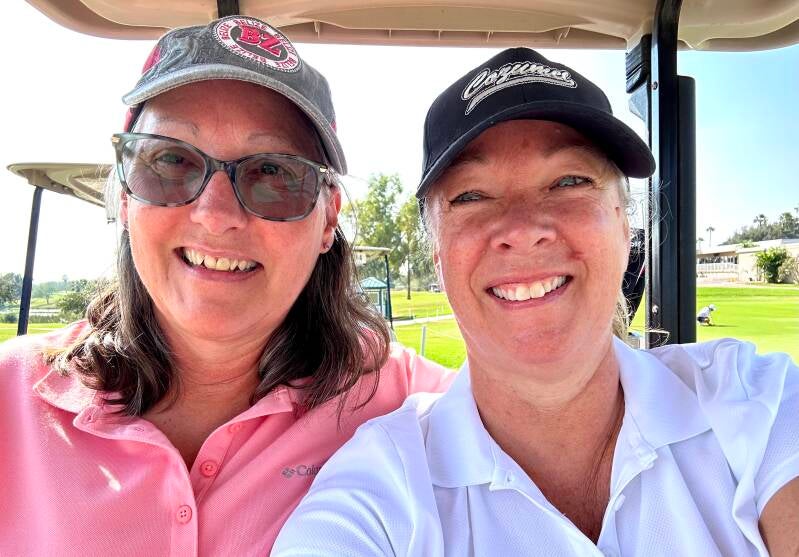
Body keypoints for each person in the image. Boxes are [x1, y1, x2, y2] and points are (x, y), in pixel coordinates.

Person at [273, 48, 799, 556]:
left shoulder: (757, 400)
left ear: (624, 225)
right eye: (472, 195)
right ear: (438, 255)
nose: (523, 229)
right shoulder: (374, 494)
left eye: (569, 181)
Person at [0, 16, 451, 556]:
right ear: (124, 195)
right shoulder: (11, 399)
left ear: (328, 218)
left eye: (273, 172)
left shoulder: (412, 402)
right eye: (171, 160)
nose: (215, 215)